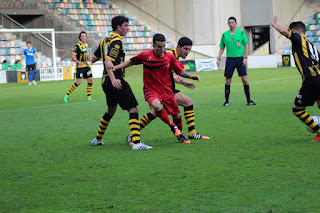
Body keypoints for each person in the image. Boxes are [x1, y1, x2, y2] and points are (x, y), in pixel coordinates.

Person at [114, 33, 200, 145]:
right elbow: (131, 62)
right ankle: (180, 131)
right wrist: (115, 68)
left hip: (167, 90)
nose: (187, 52)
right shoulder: (157, 55)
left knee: (172, 113)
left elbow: (176, 71)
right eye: (186, 49)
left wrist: (188, 77)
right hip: (153, 89)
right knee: (157, 108)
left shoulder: (170, 56)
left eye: (164, 46)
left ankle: (182, 134)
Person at [90, 15, 152, 150]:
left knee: (111, 110)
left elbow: (93, 59)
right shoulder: (117, 41)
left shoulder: (104, 40)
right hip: (116, 79)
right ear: (118, 27)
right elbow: (108, 61)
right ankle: (136, 143)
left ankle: (98, 139)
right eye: (126, 26)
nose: (128, 28)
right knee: (133, 108)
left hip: (105, 81)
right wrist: (114, 79)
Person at [271, 15, 320, 142]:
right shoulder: (313, 46)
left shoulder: (299, 39)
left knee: (297, 110)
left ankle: (319, 131)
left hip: (311, 79)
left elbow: (282, 31)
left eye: (291, 31)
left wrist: (273, 24)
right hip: (318, 78)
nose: (289, 34)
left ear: (298, 31)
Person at [217, 17, 257, 107]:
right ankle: (226, 101)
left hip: (240, 59)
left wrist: (245, 58)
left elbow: (246, 45)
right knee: (228, 81)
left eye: (232, 22)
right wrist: (218, 58)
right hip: (230, 60)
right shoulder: (225, 35)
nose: (231, 24)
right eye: (229, 23)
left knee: (245, 80)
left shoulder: (241, 33)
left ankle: (249, 100)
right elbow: (222, 48)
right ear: (228, 24)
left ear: (236, 23)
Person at [63, 31, 93, 103]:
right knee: (78, 82)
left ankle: (89, 97)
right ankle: (66, 95)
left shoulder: (86, 45)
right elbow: (72, 57)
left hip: (86, 66)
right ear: (80, 37)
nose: (84, 37)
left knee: (90, 80)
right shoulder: (77, 46)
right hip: (80, 67)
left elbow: (86, 54)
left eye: (85, 36)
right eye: (82, 36)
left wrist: (90, 60)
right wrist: (79, 62)